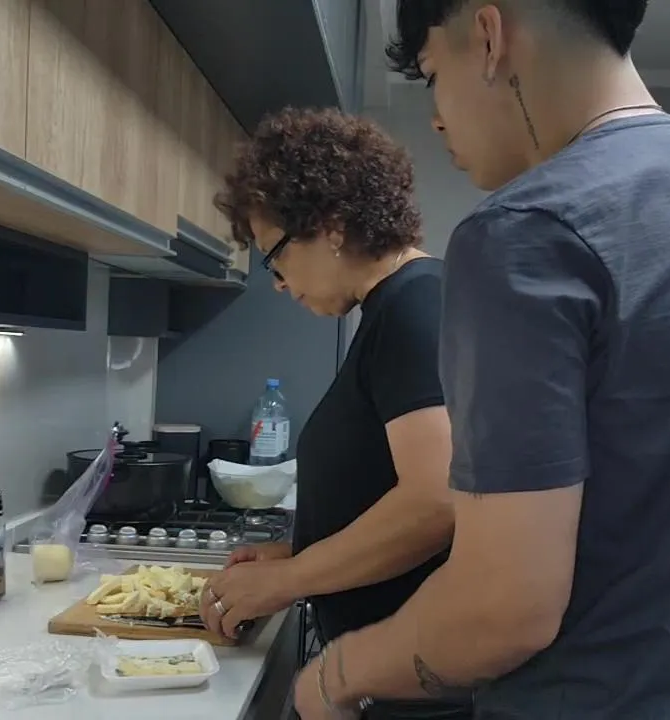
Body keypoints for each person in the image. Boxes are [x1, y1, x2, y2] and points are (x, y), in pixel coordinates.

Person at [293, 1, 670, 719]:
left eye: (433, 74)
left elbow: (503, 609)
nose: (437, 118)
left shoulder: (525, 234)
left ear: (488, 36)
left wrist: (335, 674)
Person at [201, 107, 473, 720]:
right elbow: (383, 485)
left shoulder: (414, 307)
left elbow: (437, 500)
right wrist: (299, 553)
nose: (278, 283)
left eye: (274, 257)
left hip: (419, 683)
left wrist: (290, 580)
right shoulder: (395, 308)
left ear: (329, 226)